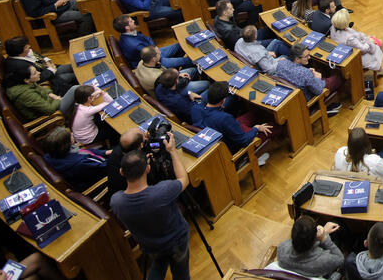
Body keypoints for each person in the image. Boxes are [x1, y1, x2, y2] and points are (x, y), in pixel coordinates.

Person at [110, 143, 191, 280]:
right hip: (176, 241)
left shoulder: (116, 201)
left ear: (122, 172)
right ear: (148, 169)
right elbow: (184, 179)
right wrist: (172, 151)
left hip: (150, 245)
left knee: (158, 265)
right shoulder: (162, 192)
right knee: (181, 273)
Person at [192, 81, 273, 153]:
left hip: (225, 131)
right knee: (275, 128)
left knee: (255, 113)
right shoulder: (225, 118)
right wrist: (256, 128)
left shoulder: (195, 108)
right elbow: (243, 141)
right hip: (234, 145)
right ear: (224, 100)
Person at [3, 35, 77, 94]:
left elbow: (37, 55)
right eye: (26, 47)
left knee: (75, 66)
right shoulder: (19, 66)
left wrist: (47, 61)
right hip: (49, 80)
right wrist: (51, 69)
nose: (29, 46)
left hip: (49, 69)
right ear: (20, 51)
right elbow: (36, 79)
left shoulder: (21, 54)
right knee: (75, 75)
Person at [41, 126, 107, 192]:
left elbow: (83, 151)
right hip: (100, 176)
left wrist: (105, 152)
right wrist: (115, 154)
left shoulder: (50, 155)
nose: (72, 133)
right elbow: (105, 167)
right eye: (70, 135)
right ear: (66, 144)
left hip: (92, 166)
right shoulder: (80, 163)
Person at [276, 216, 344, 279]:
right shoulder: (322, 261)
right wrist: (324, 238)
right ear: (315, 237)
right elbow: (340, 258)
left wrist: (322, 232)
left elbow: (300, 240)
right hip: (317, 271)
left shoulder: (281, 249)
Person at [274, 46, 344, 102]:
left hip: (293, 92)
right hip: (308, 97)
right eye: (306, 56)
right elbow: (318, 91)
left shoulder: (281, 63)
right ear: (297, 59)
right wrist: (318, 78)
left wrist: (310, 73)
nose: (309, 57)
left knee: (321, 69)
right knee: (338, 77)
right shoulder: (306, 73)